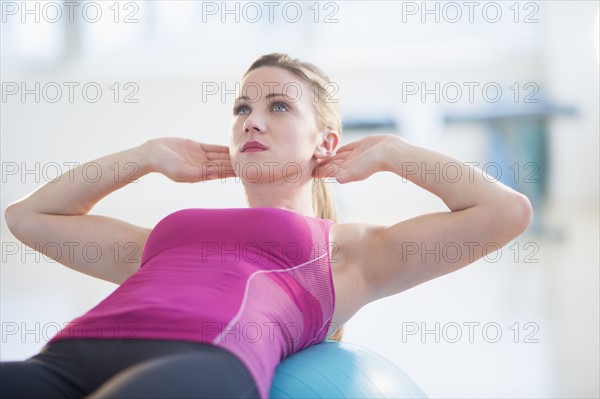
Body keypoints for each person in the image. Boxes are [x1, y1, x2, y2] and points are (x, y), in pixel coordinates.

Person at [1, 53, 533, 399]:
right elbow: (28, 218)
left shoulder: (348, 253)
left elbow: (505, 213)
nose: (251, 120)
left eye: (278, 106)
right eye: (242, 108)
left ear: (324, 142)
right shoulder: (161, 239)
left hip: (199, 363)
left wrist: (395, 152)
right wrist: (146, 155)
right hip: (68, 355)